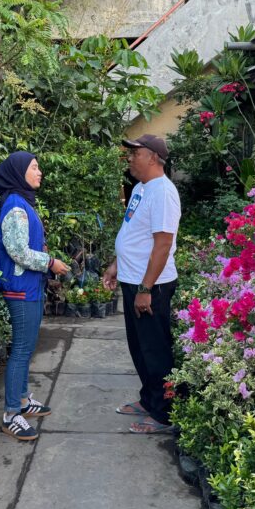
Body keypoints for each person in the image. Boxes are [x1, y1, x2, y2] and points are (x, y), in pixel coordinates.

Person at [102, 134, 181, 434]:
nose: (130, 158)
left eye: (135, 153)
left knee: (156, 350)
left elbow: (162, 245)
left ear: (152, 157)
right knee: (139, 348)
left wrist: (146, 289)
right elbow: (132, 234)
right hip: (132, 280)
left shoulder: (163, 192)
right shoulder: (140, 189)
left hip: (152, 286)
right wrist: (115, 265)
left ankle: (164, 415)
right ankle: (149, 400)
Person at [0, 151, 70, 441]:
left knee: (27, 348)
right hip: (20, 289)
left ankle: (23, 401)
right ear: (18, 172)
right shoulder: (15, 206)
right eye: (35, 167)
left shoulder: (23, 202)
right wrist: (51, 263)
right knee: (22, 351)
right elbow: (18, 252)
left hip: (30, 287)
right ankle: (12, 414)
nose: (40, 172)